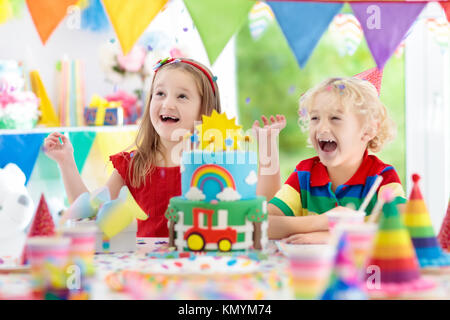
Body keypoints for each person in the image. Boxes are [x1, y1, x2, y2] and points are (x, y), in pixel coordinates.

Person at [44, 57, 221, 237]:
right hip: (141, 264)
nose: (167, 104)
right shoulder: (133, 165)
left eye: (182, 96)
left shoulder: (216, 166)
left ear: (205, 110)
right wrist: (66, 162)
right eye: (160, 93)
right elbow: (91, 214)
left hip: (197, 262)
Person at [253, 77, 406, 244]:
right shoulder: (304, 175)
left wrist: (334, 237)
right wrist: (324, 221)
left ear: (368, 130)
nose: (321, 127)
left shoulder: (382, 178)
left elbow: (402, 229)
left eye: (335, 118)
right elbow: (262, 224)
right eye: (314, 118)